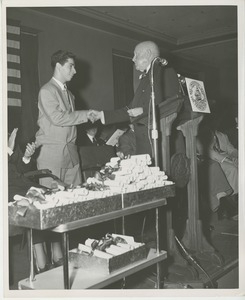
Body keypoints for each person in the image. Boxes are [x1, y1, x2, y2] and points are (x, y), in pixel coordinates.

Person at [89, 40, 182, 159]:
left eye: (136, 55)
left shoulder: (166, 72)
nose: (133, 59)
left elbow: (173, 103)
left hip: (161, 143)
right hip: (144, 143)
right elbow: (130, 110)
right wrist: (101, 115)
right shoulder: (145, 78)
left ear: (148, 54)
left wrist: (144, 110)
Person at [35, 50, 96, 188]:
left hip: (72, 156)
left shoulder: (70, 94)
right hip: (52, 156)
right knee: (53, 202)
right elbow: (57, 118)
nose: (74, 71)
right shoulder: (47, 91)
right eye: (71, 66)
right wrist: (86, 114)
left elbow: (71, 121)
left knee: (76, 199)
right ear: (58, 66)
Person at [8, 128, 63, 274]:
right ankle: (40, 256)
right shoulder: (8, 143)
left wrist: (26, 156)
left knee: (52, 198)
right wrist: (8, 149)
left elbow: (20, 170)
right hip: (7, 189)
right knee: (34, 205)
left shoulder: (7, 138)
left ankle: (56, 248)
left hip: (23, 185)